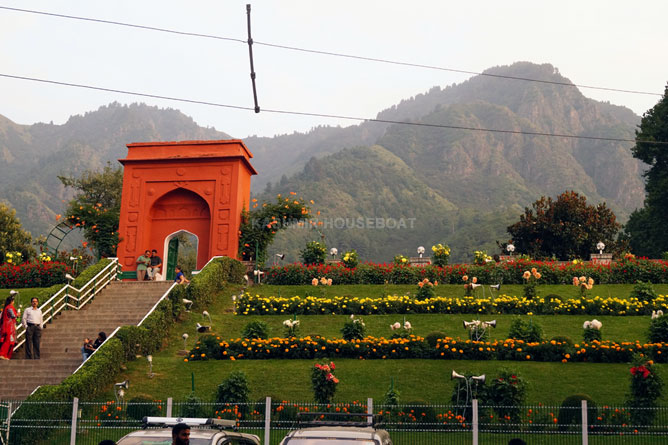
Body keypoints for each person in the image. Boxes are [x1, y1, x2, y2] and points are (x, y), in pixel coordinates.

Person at [0, 292, 20, 360]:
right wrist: (17, 314)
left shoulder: (7, 307)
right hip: (8, 327)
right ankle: (3, 354)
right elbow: (13, 315)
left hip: (10, 327)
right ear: (11, 301)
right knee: (8, 341)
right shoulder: (9, 307)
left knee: (11, 342)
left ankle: (7, 355)